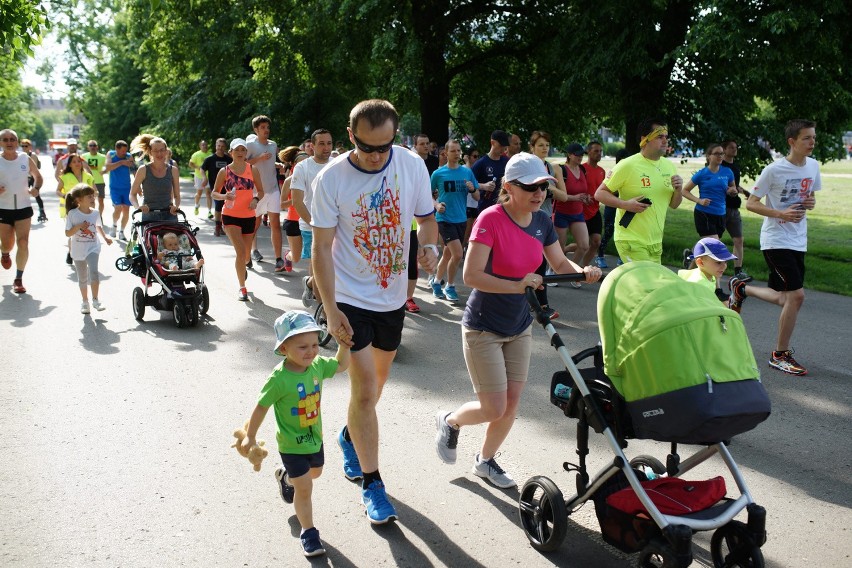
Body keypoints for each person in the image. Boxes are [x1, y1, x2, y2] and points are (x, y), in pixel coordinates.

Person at [434, 152, 600, 487]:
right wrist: (517, 284)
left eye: (543, 186)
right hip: (483, 327)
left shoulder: (542, 221)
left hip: (520, 324)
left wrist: (584, 273)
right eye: (530, 187)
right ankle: (450, 421)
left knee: (510, 403)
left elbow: (559, 263)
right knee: (493, 407)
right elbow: (471, 275)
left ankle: (485, 460)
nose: (539, 194)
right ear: (508, 187)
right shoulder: (490, 220)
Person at [311, 99, 438, 524]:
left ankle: (350, 435)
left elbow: (426, 220)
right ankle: (373, 483)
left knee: (377, 383)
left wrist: (433, 247)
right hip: (349, 295)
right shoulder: (332, 179)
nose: (377, 156)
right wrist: (330, 310)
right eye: (368, 148)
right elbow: (322, 250)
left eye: (384, 147)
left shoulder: (411, 166)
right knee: (365, 390)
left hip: (391, 297)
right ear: (351, 137)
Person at [241, 310, 351, 557]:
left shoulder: (318, 366)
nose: (311, 351)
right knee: (305, 489)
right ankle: (309, 532)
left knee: (315, 474)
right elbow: (261, 406)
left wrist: (344, 345)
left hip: (315, 440)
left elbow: (342, 365)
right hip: (291, 445)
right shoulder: (279, 378)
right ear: (283, 349)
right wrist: (249, 435)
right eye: (303, 347)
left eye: (314, 344)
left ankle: (286, 478)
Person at [731, 119, 820, 376]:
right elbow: (751, 203)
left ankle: (741, 288)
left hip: (798, 239)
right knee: (797, 296)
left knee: (785, 298)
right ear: (792, 142)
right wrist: (779, 212)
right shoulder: (774, 170)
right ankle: (779, 355)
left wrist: (810, 202)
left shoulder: (813, 167)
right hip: (775, 240)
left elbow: (811, 198)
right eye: (807, 138)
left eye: (813, 138)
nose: (812, 142)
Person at [594, 118, 684, 263]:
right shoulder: (627, 165)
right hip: (631, 240)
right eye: (660, 137)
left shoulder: (669, 166)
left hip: (655, 242)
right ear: (644, 139)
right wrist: (625, 204)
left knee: (649, 284)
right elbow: (599, 193)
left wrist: (678, 190)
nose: (665, 141)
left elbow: (674, 205)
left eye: (666, 137)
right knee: (645, 283)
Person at [212, 138, 265, 301]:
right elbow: (214, 192)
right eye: (237, 150)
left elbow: (261, 191)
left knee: (246, 256)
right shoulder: (225, 172)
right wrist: (224, 195)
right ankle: (242, 288)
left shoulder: (252, 169)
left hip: (249, 216)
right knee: (240, 251)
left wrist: (256, 200)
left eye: (243, 150)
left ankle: (242, 266)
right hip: (230, 215)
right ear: (231, 153)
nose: (241, 153)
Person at [429, 139, 480, 302]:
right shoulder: (438, 174)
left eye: (459, 151)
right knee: (458, 254)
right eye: (453, 151)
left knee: (448, 253)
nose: (457, 154)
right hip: (444, 218)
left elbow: (477, 196)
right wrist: (436, 205)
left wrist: (472, 189)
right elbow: (427, 195)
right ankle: (450, 286)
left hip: (461, 218)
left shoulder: (466, 172)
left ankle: (436, 282)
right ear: (446, 153)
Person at [528, 130, 568, 318]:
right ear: (532, 148)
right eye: (540, 145)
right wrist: (547, 185)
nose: (545, 149)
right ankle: (535, 304)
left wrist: (546, 184)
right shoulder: (527, 166)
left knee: (541, 262)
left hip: (545, 219)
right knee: (530, 262)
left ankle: (541, 306)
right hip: (527, 218)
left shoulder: (552, 169)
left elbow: (564, 196)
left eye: (547, 145)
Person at [291, 129, 333, 304]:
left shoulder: (337, 164)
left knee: (334, 268)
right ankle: (322, 311)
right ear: (312, 146)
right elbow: (297, 201)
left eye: (329, 143)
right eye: (321, 143)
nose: (326, 147)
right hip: (311, 226)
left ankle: (309, 283)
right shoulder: (303, 167)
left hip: (335, 225)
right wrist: (314, 223)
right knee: (319, 269)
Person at [0, 129, 43, 294]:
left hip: (24, 207)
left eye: (12, 139)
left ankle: (18, 278)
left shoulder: (25, 158)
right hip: (3, 208)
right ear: (1, 143)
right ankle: (5, 253)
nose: (9, 142)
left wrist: (36, 188)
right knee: (7, 244)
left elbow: (38, 177)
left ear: (17, 142)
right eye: (5, 140)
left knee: (23, 242)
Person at [64, 184, 113, 313]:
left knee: (94, 273)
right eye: (89, 197)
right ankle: (85, 302)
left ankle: (96, 300)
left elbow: (98, 226)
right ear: (79, 200)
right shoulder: (72, 214)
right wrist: (79, 226)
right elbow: (68, 233)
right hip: (78, 249)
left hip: (93, 247)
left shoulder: (95, 213)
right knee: (82, 278)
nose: (93, 198)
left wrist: (105, 238)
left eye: (93, 196)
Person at [246, 116, 282, 269]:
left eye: (267, 127)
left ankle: (279, 259)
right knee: (255, 224)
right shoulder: (250, 146)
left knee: (275, 223)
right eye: (262, 127)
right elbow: (244, 164)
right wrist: (259, 158)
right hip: (257, 191)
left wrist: (276, 164)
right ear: (256, 130)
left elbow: (269, 162)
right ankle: (247, 254)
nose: (266, 130)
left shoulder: (273, 145)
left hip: (273, 189)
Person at [681, 143, 735, 241]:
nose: (720, 156)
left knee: (709, 247)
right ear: (709, 156)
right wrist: (699, 201)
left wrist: (732, 191)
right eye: (717, 153)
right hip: (704, 213)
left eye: (722, 153)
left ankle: (690, 255)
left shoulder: (728, 172)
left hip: (721, 214)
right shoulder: (702, 174)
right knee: (714, 244)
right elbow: (684, 191)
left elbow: (733, 188)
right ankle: (691, 255)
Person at [554, 143, 590, 277]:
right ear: (569, 155)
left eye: (582, 154)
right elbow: (558, 194)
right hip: (561, 213)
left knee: (584, 246)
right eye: (577, 154)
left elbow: (582, 192)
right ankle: (552, 272)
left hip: (577, 213)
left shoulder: (582, 170)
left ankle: (571, 274)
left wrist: (585, 198)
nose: (581, 157)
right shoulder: (562, 170)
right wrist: (575, 198)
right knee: (559, 249)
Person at [130, 135, 180, 223]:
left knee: (172, 237)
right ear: (151, 152)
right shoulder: (143, 170)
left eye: (161, 150)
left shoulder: (173, 170)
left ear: (166, 151)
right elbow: (132, 194)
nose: (159, 154)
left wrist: (175, 206)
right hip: (149, 216)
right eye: (156, 151)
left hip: (169, 215)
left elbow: (177, 196)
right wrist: (138, 207)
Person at [721, 139, 750, 279]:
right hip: (720, 208)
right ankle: (691, 256)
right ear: (724, 150)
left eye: (735, 147)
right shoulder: (719, 166)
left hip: (733, 208)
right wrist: (728, 190)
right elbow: (716, 184)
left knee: (738, 240)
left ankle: (738, 271)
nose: (734, 149)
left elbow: (735, 185)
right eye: (731, 147)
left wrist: (745, 191)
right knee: (712, 240)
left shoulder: (736, 167)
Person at [678, 237, 737, 303]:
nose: (724, 266)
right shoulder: (700, 284)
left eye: (726, 262)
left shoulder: (709, 275)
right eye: (718, 262)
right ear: (700, 262)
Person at [277, 146, 307, 272]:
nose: (305, 164)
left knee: (314, 255)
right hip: (293, 221)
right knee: (296, 257)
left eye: (307, 161)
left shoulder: (315, 178)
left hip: (309, 220)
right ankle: (288, 256)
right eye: (302, 162)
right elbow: (282, 204)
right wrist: (295, 199)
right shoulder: (289, 180)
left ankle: (313, 289)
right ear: (295, 164)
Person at [471, 130, 510, 217]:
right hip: (485, 209)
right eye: (500, 146)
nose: (503, 150)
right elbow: (469, 183)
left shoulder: (507, 162)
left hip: (504, 208)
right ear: (492, 142)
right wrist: (483, 186)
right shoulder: (480, 163)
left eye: (505, 147)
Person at [580, 141, 606, 268]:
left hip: (595, 211)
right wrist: (584, 197)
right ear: (588, 152)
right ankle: (567, 250)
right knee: (583, 245)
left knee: (596, 242)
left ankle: (582, 269)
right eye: (596, 151)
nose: (599, 154)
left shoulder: (602, 171)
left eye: (600, 151)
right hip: (581, 212)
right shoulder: (582, 168)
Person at [103, 140, 135, 240]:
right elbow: (108, 167)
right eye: (122, 151)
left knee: (126, 209)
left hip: (127, 187)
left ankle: (121, 231)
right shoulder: (111, 154)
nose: (124, 153)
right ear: (116, 149)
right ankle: (114, 225)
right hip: (115, 187)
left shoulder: (128, 156)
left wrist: (138, 186)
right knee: (118, 208)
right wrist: (121, 162)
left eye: (126, 150)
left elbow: (133, 167)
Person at [200, 138, 233, 237]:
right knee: (218, 205)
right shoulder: (210, 159)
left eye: (222, 146)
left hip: (228, 187)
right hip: (216, 187)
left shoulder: (228, 159)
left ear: (225, 148)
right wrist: (204, 178)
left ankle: (222, 226)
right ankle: (217, 227)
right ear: (215, 146)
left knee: (225, 206)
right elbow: (202, 169)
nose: (220, 148)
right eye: (218, 146)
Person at [20, 139, 47, 222]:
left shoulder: (33, 155)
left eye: (26, 146)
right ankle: (22, 211)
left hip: (32, 178)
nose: (24, 147)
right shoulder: (20, 155)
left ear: (30, 146)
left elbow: (34, 169)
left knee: (36, 194)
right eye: (22, 146)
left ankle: (42, 211)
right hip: (24, 178)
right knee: (23, 195)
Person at [82, 140, 107, 219]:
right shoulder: (83, 156)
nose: (92, 147)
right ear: (88, 147)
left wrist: (104, 170)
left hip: (99, 182)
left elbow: (107, 166)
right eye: (91, 145)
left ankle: (99, 217)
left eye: (94, 145)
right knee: (89, 201)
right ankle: (91, 216)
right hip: (87, 182)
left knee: (101, 201)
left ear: (97, 147)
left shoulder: (102, 157)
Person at [190, 140, 213, 218]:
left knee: (208, 194)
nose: (204, 146)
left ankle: (209, 212)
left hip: (208, 177)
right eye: (203, 145)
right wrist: (198, 167)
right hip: (199, 176)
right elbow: (190, 164)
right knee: (199, 193)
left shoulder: (210, 154)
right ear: (200, 146)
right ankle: (196, 205)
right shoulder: (196, 154)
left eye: (205, 145)